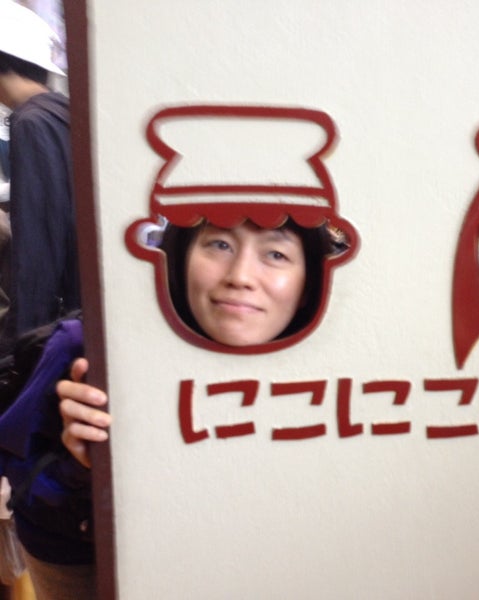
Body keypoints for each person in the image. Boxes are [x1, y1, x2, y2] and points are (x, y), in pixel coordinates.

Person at [1, 217, 334, 599]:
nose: (240, 276)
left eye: (275, 254)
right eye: (220, 244)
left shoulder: (343, 371)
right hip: (89, 556)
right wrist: (82, 472)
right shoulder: (87, 349)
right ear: (182, 253)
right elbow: (32, 498)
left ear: (309, 281)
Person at [0, 0, 78, 345]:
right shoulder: (65, 112)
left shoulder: (32, 123)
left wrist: (24, 337)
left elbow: (39, 241)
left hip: (53, 323)